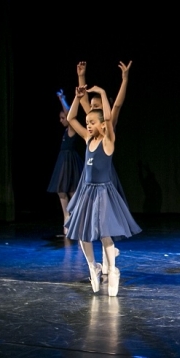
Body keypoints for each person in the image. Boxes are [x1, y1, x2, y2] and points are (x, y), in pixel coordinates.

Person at [64, 85, 141, 296]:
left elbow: (108, 118)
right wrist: (76, 98)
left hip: (103, 192)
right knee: (83, 235)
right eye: (87, 122)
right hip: (87, 192)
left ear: (101, 125)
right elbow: (71, 119)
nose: (88, 126)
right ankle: (93, 266)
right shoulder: (88, 140)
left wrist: (104, 95)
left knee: (105, 235)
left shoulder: (108, 142)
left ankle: (113, 272)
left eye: (92, 122)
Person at [76, 60, 131, 274]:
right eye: (92, 107)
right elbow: (82, 100)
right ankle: (98, 264)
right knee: (90, 219)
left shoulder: (108, 122)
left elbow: (117, 105)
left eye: (97, 107)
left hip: (105, 175)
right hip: (90, 176)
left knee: (105, 220)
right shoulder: (90, 123)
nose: (93, 109)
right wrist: (82, 77)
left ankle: (109, 262)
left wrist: (124, 79)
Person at [47, 89, 83, 236]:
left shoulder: (72, 128)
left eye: (62, 118)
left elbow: (69, 115)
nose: (61, 120)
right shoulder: (65, 131)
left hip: (69, 161)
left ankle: (76, 218)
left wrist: (62, 100)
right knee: (62, 190)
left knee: (72, 191)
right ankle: (67, 216)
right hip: (63, 160)